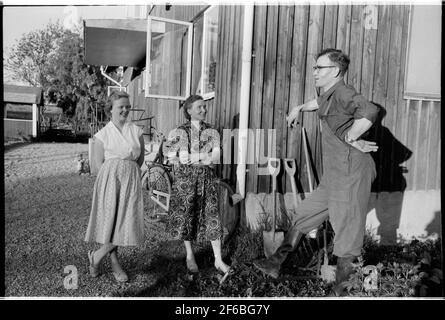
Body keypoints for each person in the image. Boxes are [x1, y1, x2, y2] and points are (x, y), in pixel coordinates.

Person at [253, 48, 379, 296]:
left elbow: (370, 111)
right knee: (305, 213)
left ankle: (341, 291)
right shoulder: (329, 95)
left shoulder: (344, 92)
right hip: (335, 173)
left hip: (352, 172)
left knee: (347, 232)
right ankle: (275, 262)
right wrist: (298, 107)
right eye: (314, 67)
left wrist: (352, 136)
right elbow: (317, 104)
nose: (314, 72)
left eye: (319, 68)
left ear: (335, 70)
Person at [165, 95, 231, 275]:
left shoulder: (212, 131)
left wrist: (192, 159)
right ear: (189, 110)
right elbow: (172, 157)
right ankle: (189, 255)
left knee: (212, 216)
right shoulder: (178, 131)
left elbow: (216, 157)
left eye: (204, 107)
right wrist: (202, 157)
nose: (203, 110)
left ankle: (218, 259)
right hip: (185, 181)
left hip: (206, 179)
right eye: (199, 107)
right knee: (187, 216)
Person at [84, 91, 145, 282]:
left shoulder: (136, 131)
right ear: (110, 109)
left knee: (125, 222)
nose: (125, 109)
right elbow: (96, 166)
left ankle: (97, 256)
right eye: (121, 106)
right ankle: (114, 263)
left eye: (128, 106)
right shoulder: (102, 135)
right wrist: (113, 177)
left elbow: (140, 159)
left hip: (131, 181)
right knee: (112, 222)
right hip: (110, 182)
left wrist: (127, 172)